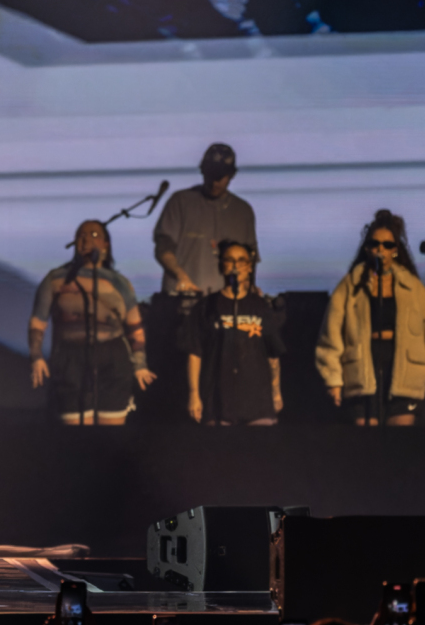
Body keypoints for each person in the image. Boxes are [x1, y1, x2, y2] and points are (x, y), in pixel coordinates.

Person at [315, 209, 425, 426]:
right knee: (364, 442)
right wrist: (333, 379)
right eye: (375, 244)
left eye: (388, 245)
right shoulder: (352, 285)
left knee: (400, 442)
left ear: (395, 250)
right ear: (367, 248)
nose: (381, 249)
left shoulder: (413, 288)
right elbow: (330, 338)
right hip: (362, 370)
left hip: (404, 372)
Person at [29, 220, 156, 425]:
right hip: (71, 360)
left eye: (94, 235)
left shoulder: (119, 283)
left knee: (110, 436)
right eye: (81, 235)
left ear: (106, 243)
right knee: (75, 435)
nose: (87, 239)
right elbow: (38, 321)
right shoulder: (56, 279)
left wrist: (140, 364)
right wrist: (36, 356)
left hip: (113, 359)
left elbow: (135, 327)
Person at [181, 240, 285, 425]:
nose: (236, 266)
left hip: (258, 403)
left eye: (241, 260)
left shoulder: (261, 306)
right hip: (218, 402)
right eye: (230, 260)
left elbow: (273, 354)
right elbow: (195, 353)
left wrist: (276, 392)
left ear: (250, 267)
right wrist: (194, 394)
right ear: (221, 266)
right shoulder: (206, 306)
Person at [153, 143, 257, 295]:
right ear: (202, 171)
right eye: (210, 175)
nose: (214, 182)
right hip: (184, 299)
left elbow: (250, 260)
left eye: (220, 177)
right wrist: (181, 276)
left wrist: (250, 288)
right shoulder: (180, 202)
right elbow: (163, 248)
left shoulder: (243, 211)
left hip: (226, 304)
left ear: (231, 175)